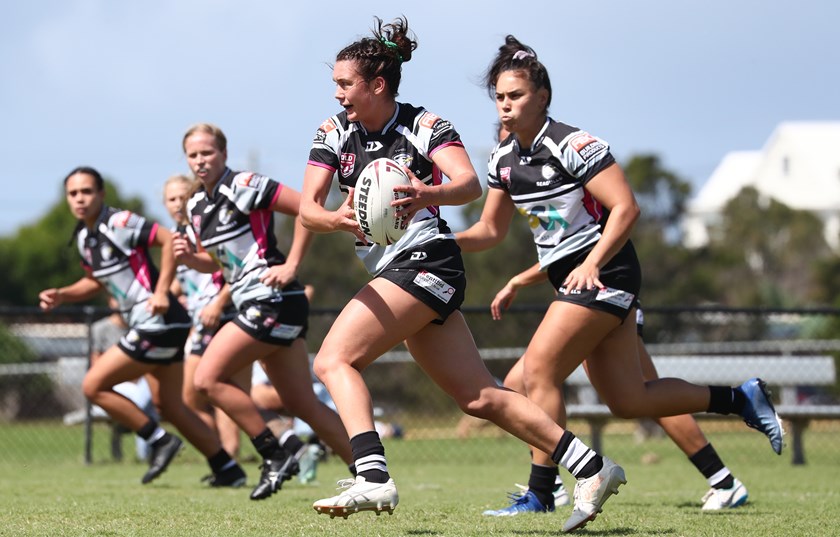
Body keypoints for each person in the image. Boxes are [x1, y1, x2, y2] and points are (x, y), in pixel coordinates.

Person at [299, 17, 627, 532]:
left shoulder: (426, 125)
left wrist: (429, 194)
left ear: (376, 85)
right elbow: (308, 211)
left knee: (335, 359)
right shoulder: (332, 132)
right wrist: (339, 218)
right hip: (396, 267)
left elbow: (469, 184)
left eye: (345, 84)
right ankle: (592, 466)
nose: (337, 94)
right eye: (336, 85)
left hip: (428, 259)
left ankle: (372, 473)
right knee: (478, 397)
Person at [454, 35, 783, 519]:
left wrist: (591, 263)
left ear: (542, 96)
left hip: (606, 272)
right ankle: (740, 398)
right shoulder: (503, 161)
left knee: (536, 372)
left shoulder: (574, 143)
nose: (506, 105)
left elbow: (626, 207)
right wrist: (437, 236)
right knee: (629, 399)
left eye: (516, 95)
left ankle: (543, 492)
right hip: (572, 280)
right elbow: (489, 230)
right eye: (500, 97)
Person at [173, 123, 353, 501]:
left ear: (223, 153)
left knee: (207, 379)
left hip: (273, 298)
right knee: (301, 402)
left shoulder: (245, 184)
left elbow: (308, 209)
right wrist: (194, 259)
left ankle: (275, 454)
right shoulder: (195, 206)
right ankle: (370, 471)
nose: (201, 160)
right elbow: (220, 263)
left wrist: (291, 265)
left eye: (208, 152)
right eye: (193, 155)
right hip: (261, 302)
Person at [39, 166, 246, 487]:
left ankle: (159, 439)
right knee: (171, 406)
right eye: (73, 193)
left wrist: (163, 291)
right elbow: (95, 281)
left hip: (159, 320)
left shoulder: (119, 222)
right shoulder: (83, 237)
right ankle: (227, 468)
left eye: (86, 191)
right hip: (156, 323)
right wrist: (62, 295)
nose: (80, 199)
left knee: (93, 385)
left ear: (101, 194)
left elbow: (166, 240)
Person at [488, 262, 749, 511]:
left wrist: (516, 279)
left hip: (603, 300)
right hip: (584, 303)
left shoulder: (588, 218)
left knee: (644, 397)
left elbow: (613, 226)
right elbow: (555, 256)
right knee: (517, 383)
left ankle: (725, 478)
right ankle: (550, 482)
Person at [163, 174, 249, 464]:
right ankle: (225, 457)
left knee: (207, 391)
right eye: (171, 199)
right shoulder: (178, 236)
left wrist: (218, 302)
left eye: (182, 197)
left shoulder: (206, 228)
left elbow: (233, 269)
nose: (178, 204)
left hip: (222, 316)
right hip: (200, 321)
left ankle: (229, 456)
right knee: (200, 396)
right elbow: (184, 281)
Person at [90, 296, 157, 462]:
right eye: (115, 298)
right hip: (113, 384)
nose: (120, 303)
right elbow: (96, 366)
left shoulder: (140, 328)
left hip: (139, 383)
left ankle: (146, 454)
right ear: (109, 301)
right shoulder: (100, 328)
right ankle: (152, 449)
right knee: (143, 407)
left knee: (145, 400)